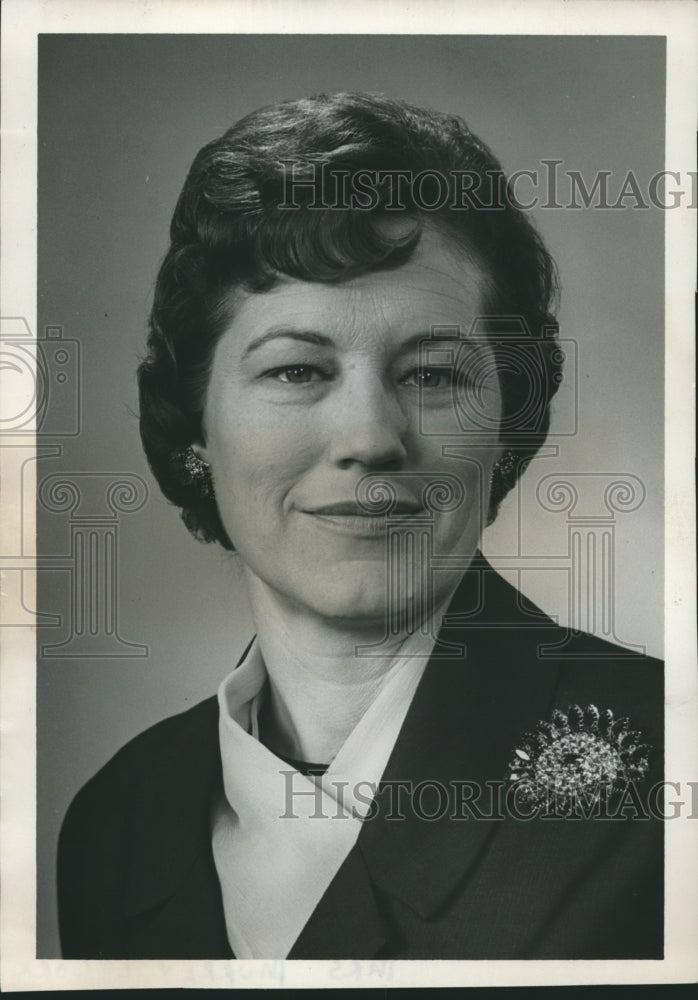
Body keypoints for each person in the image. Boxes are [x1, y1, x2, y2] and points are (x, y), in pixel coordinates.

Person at [57, 93, 663, 960]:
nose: (372, 439)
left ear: (506, 427)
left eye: (433, 375)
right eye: (298, 370)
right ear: (195, 430)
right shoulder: (117, 821)